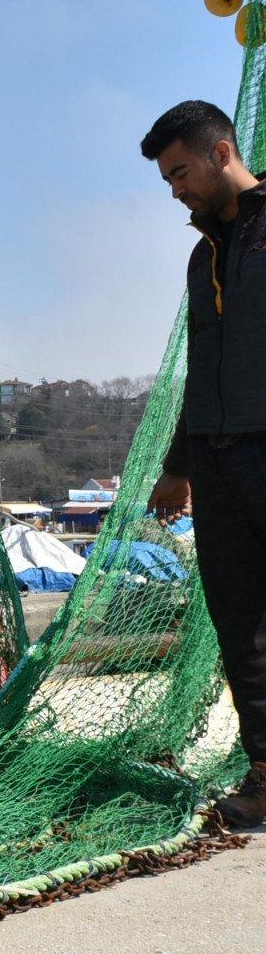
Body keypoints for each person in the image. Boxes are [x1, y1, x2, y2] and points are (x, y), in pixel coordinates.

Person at [142, 99, 266, 828]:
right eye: (167, 179)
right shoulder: (203, 255)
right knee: (241, 624)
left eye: (181, 172)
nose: (176, 190)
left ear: (221, 153)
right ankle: (265, 771)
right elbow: (202, 365)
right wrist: (179, 464)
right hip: (217, 462)